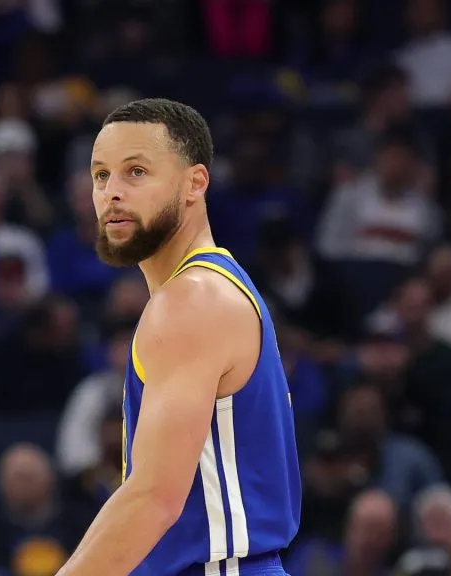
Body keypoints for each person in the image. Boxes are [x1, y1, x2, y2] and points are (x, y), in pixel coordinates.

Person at [58, 98, 300, 575]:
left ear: (195, 183)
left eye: (136, 172)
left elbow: (153, 498)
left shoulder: (191, 302)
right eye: (101, 175)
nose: (112, 193)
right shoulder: (209, 288)